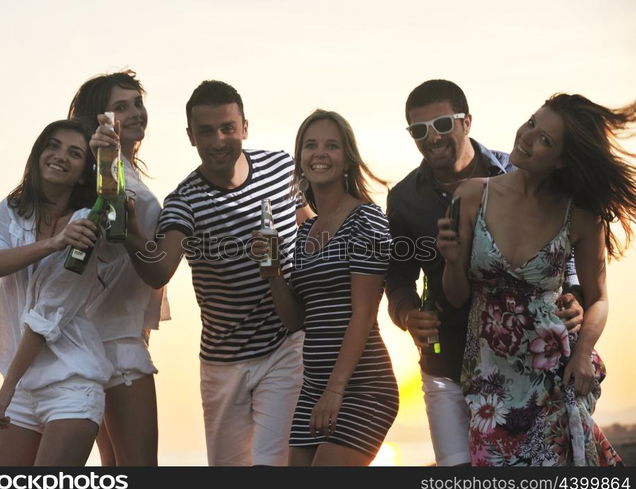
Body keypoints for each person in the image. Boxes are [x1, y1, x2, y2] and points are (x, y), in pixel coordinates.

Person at [385, 79, 584, 466]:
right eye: (419, 130)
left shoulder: (518, 168)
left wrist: (576, 295)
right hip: (446, 363)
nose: (432, 137)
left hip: (524, 367)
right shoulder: (404, 197)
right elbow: (397, 276)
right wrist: (408, 314)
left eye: (442, 124)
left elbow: (563, 244)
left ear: (467, 122)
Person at [118, 80, 312, 466]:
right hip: (224, 362)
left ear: (244, 128)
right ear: (191, 136)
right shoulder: (183, 201)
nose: (218, 140)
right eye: (206, 131)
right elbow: (160, 271)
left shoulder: (281, 169)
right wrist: (130, 233)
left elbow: (311, 231)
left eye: (227, 128)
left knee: (274, 463)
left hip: (286, 346)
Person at [437, 93, 634, 466]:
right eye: (531, 123)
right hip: (489, 383)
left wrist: (581, 355)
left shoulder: (580, 215)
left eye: (544, 139)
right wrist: (451, 262)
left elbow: (599, 299)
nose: (527, 137)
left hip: (553, 379)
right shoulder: (472, 195)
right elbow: (458, 296)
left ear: (562, 160)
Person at [254, 110, 399, 466]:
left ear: (348, 158)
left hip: (362, 385)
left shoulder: (366, 220)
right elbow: (296, 321)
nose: (320, 153)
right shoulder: (305, 232)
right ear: (300, 159)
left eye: (331, 146)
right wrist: (272, 273)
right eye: (310, 145)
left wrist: (336, 390)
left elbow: (363, 315)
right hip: (314, 387)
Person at [0, 119, 119, 466]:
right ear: (38, 153)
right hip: (23, 385)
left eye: (74, 153)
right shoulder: (13, 210)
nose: (59, 156)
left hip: (71, 384)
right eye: (52, 146)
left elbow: (47, 314)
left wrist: (6, 387)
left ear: (84, 172)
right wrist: (54, 243)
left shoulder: (87, 222)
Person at [68, 70, 169, 466]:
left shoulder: (127, 166)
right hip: (114, 340)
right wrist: (91, 153)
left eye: (138, 103)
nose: (135, 112)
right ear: (100, 120)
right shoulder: (99, 167)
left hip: (113, 331)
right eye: (121, 107)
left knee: (115, 469)